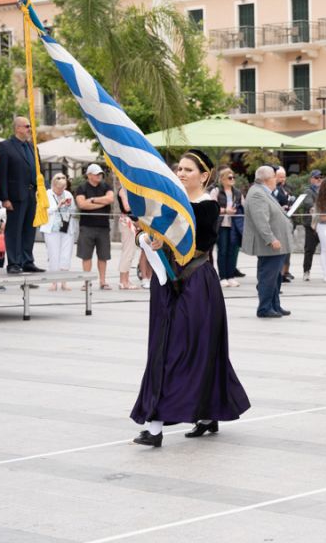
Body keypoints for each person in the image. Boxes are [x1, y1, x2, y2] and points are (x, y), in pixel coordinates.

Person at [130, 149, 251, 447]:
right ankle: (204, 414)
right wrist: (145, 238)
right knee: (165, 349)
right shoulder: (167, 202)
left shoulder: (207, 205)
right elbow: (144, 233)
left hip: (193, 284)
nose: (181, 173)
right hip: (164, 281)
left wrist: (165, 238)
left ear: (204, 175)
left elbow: (201, 245)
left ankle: (159, 425)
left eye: (188, 169)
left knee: (190, 350)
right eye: (179, 169)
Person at [0, 117, 44, 274]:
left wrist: (43, 190)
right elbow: (2, 174)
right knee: (14, 230)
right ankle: (14, 262)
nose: (30, 129)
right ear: (17, 128)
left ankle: (27, 260)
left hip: (32, 194)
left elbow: (39, 171)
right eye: (27, 126)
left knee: (29, 229)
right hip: (15, 196)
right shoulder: (5, 146)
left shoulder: (32, 147)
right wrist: (4, 198)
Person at [244, 165, 292, 318]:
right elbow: (261, 220)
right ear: (266, 179)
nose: (276, 180)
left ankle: (275, 305)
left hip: (276, 244)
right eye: (274, 177)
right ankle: (264, 308)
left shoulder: (263, 191)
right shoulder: (257, 193)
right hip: (270, 245)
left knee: (276, 277)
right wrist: (271, 239)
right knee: (268, 277)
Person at [75, 164, 115, 290]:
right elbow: (82, 204)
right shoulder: (81, 188)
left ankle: (103, 281)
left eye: (100, 174)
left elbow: (110, 199)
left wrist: (92, 200)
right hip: (86, 226)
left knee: (103, 256)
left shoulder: (106, 186)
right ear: (89, 175)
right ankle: (87, 282)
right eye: (97, 174)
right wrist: (100, 203)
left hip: (103, 227)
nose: (99, 176)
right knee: (86, 255)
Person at [41, 173, 74, 291]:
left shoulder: (68, 194)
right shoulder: (46, 194)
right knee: (53, 254)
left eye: (63, 188)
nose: (61, 190)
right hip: (51, 229)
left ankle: (64, 282)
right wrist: (58, 206)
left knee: (66, 254)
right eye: (59, 188)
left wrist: (68, 207)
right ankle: (53, 282)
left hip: (66, 228)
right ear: (54, 185)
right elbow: (43, 211)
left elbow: (74, 211)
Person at [213, 168, 245, 286]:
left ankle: (231, 276)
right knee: (223, 251)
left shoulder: (237, 192)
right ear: (222, 179)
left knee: (233, 251)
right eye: (229, 178)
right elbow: (212, 207)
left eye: (233, 177)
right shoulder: (216, 191)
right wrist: (226, 210)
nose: (232, 180)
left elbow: (243, 206)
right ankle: (223, 277)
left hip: (235, 225)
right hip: (222, 225)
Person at [271, 166, 296, 283]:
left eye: (284, 177)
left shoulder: (286, 188)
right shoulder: (273, 189)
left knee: (287, 251)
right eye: (280, 177)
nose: (282, 179)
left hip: (287, 222)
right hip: (276, 225)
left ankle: (284, 272)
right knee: (278, 253)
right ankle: (278, 275)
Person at [299, 169, 325, 281]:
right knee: (309, 249)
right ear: (311, 179)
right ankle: (306, 271)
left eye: (320, 177)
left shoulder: (324, 190)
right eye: (316, 177)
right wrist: (317, 206)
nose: (319, 179)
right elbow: (308, 202)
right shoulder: (307, 191)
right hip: (311, 224)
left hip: (324, 223)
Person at [114, 185, 141, 290]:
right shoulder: (123, 189)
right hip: (127, 221)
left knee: (131, 252)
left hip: (132, 221)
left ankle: (126, 279)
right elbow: (126, 207)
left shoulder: (130, 189)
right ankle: (123, 281)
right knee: (128, 251)